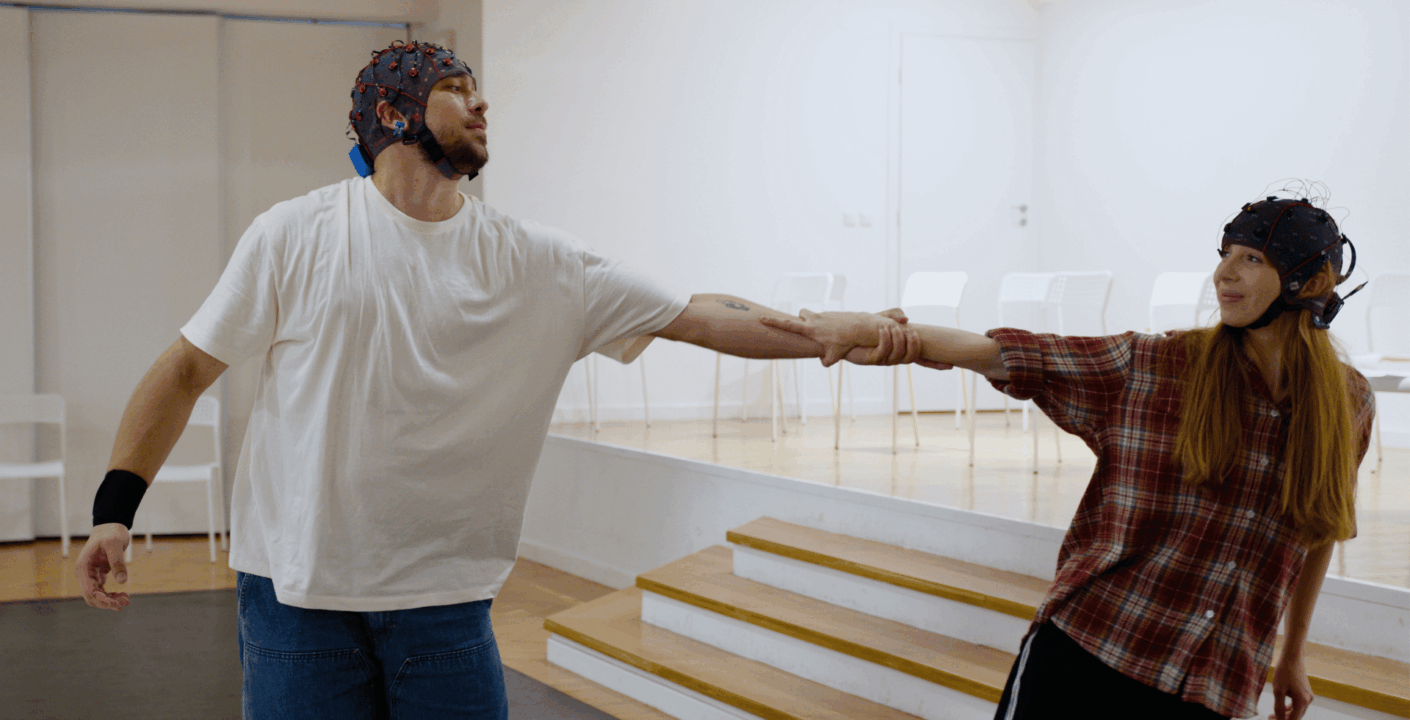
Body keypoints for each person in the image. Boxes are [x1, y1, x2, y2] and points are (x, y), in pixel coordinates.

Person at [73, 40, 920, 719]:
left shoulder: (541, 262)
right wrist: (116, 512)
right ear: (393, 112)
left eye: (479, 89)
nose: (482, 103)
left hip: (447, 601)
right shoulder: (295, 235)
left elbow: (695, 311)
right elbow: (186, 368)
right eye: (456, 87)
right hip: (297, 597)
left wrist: (822, 333)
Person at [764, 193, 1375, 720]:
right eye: (1224, 255)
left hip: (1214, 684)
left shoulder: (1347, 403)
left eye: (1252, 259)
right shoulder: (1158, 364)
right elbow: (1006, 354)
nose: (1224, 274)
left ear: (1310, 282)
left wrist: (1292, 654)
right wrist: (883, 335)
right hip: (1089, 653)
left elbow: (1319, 525)